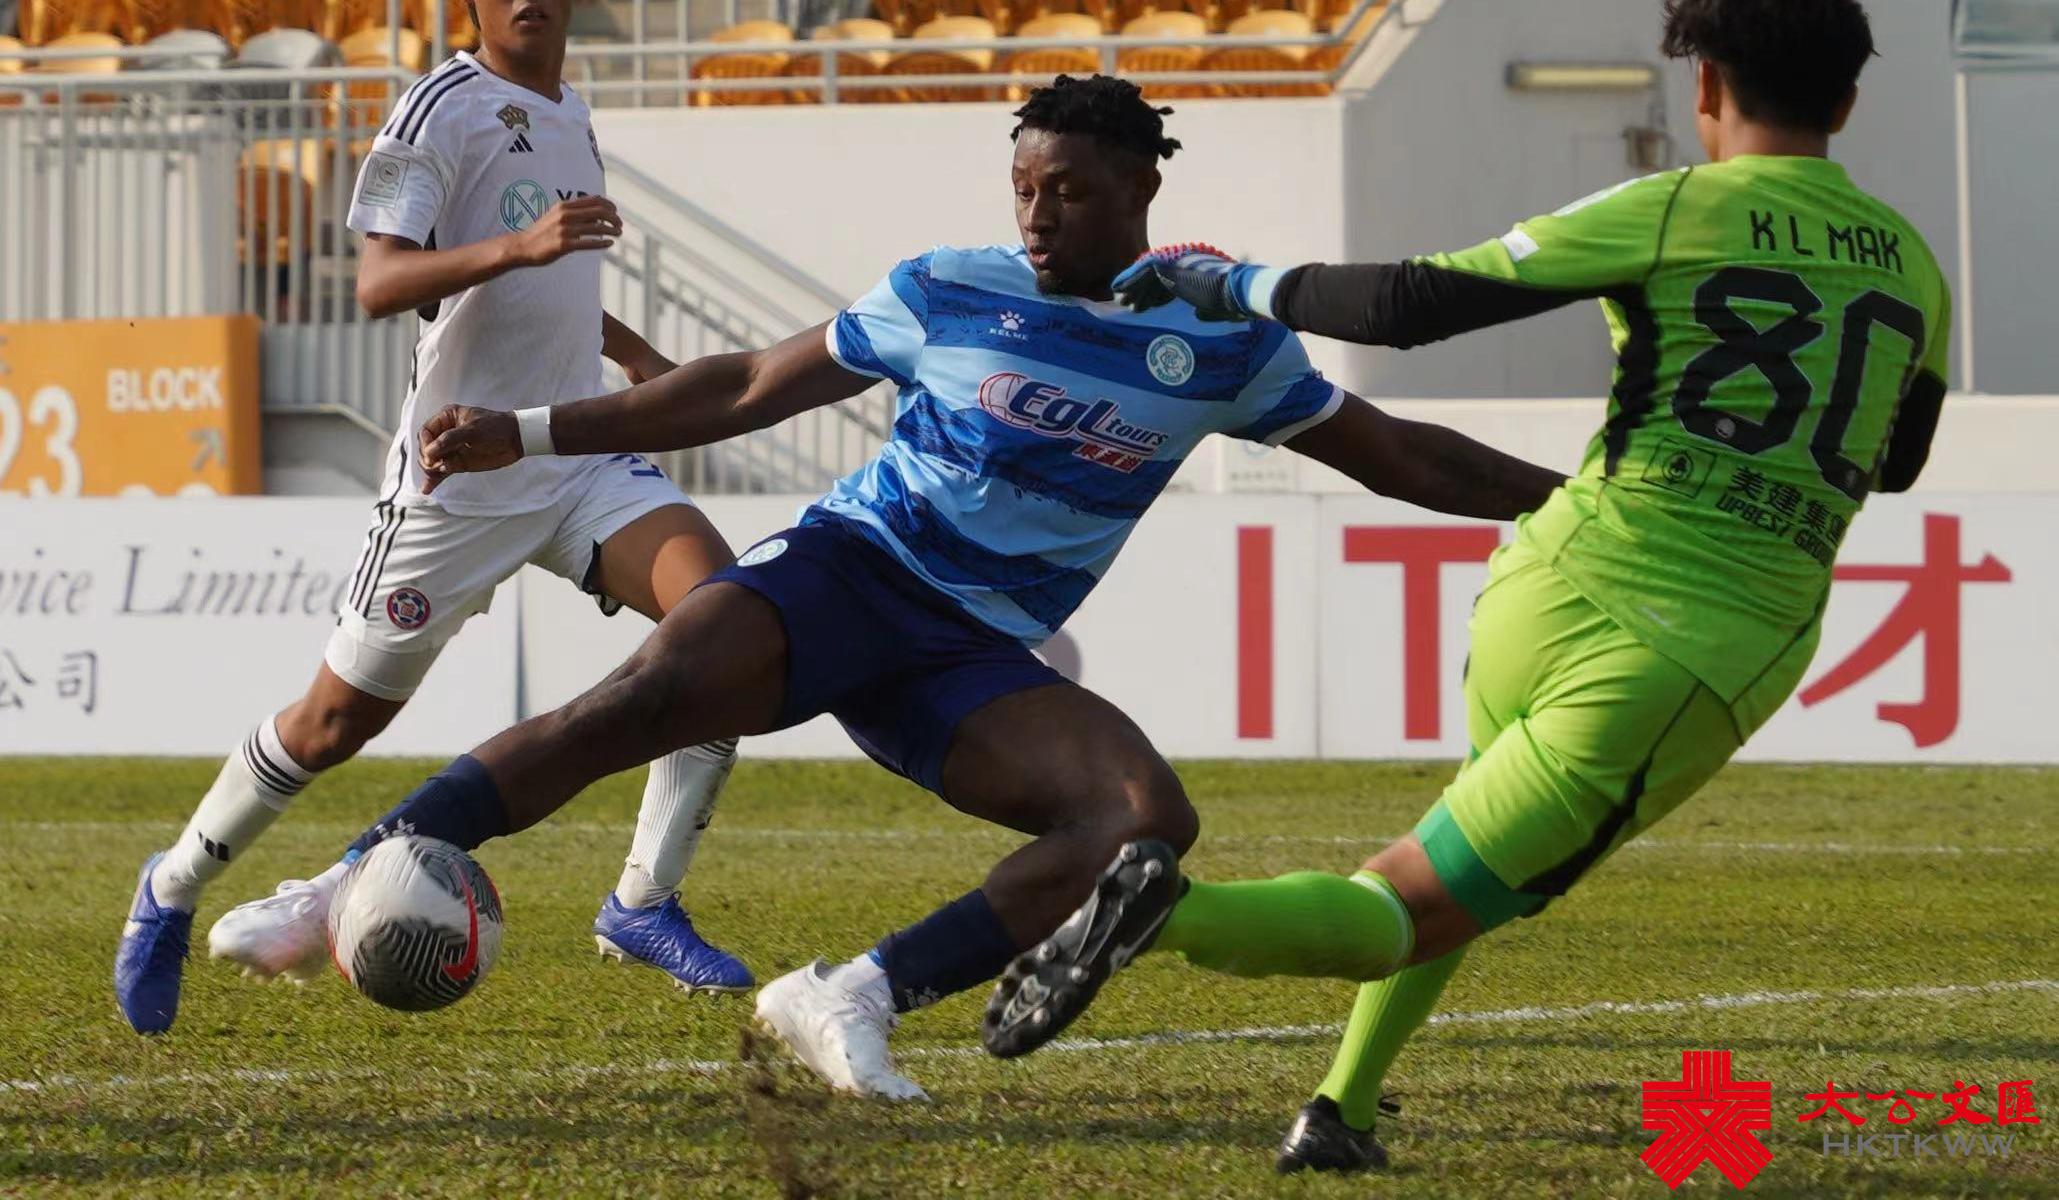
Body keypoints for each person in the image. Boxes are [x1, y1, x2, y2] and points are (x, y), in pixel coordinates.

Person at [208, 74, 1568, 1098]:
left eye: (1068, 190)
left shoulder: (1220, 342)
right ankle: (349, 876)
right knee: (646, 695)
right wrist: (537, 429)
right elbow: (744, 385)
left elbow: (1401, 455)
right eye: (1023, 186)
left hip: (974, 653)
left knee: (1142, 823)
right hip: (851, 572)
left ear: (1140, 190)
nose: (1036, 212)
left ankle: (851, 993)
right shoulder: (947, 289)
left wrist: (1579, 499)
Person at [983, 0, 1953, 1175]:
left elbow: (1413, 304)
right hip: (1687, 651)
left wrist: (1240, 284)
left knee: (1458, 849)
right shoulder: (1914, 269)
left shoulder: (1671, 207)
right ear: (1849, 98)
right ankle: (1166, 916)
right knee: (1405, 904)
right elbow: (1899, 458)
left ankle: (1342, 1108)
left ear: (1706, 84)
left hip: (1552, 578)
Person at [113, 0, 751, 1037]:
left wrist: (633, 356)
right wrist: (518, 246)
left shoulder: (572, 109)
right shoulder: (436, 109)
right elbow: (378, 283)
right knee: (330, 726)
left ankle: (641, 902)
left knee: (730, 627)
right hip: (456, 476)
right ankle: (173, 886)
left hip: (570, 456)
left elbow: (554, 289)